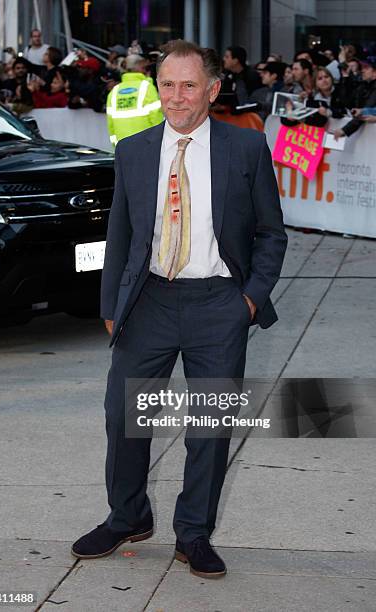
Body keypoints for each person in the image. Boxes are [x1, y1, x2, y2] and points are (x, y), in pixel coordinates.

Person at [71, 39, 287, 579]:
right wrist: (110, 306)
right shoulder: (135, 151)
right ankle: (127, 517)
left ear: (212, 90)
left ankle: (193, 533)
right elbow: (119, 234)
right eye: (167, 84)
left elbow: (271, 235)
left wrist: (248, 299)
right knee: (124, 418)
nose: (176, 96)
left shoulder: (245, 149)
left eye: (188, 85)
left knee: (209, 428)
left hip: (219, 303)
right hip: (147, 303)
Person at [106, 54, 163, 146]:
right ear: (140, 66)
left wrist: (116, 148)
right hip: (146, 146)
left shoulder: (114, 91)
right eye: (146, 67)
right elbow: (156, 118)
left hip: (123, 148)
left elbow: (111, 125)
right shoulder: (147, 87)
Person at [333, 59, 376, 140]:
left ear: (375, 73)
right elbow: (347, 103)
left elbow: (364, 112)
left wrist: (345, 130)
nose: (362, 70)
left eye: (366, 68)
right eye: (363, 68)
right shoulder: (363, 86)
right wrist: (345, 77)